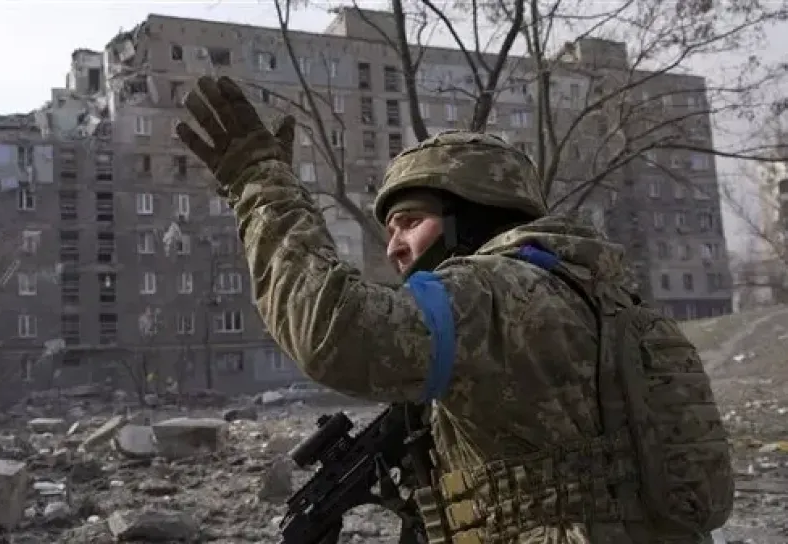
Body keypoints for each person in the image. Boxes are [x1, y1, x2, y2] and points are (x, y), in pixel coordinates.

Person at [176, 76, 733, 543]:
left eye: (410, 222)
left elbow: (335, 333)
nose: (393, 248)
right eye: (389, 230)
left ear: (474, 216)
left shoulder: (498, 292)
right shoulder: (592, 294)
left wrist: (259, 182)